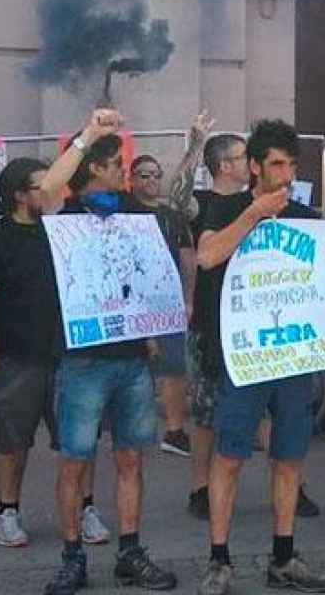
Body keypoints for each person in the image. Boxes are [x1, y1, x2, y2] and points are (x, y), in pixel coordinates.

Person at [191, 119, 325, 595]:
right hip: (243, 358)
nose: (286, 173)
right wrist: (254, 213)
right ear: (254, 166)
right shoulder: (225, 206)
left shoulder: (305, 214)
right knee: (229, 457)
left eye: (292, 164)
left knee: (290, 458)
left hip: (291, 356)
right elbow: (207, 255)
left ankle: (284, 555)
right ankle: (219, 559)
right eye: (277, 164)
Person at [40, 109, 178, 594]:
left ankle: (130, 551)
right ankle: (72, 556)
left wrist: (155, 328)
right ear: (94, 168)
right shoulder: (67, 216)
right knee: (75, 460)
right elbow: (44, 191)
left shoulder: (133, 212)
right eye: (116, 163)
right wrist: (87, 136)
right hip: (83, 359)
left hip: (132, 358)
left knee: (130, 459)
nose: (125, 170)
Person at [0, 157, 111, 549]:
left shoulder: (64, 230)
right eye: (41, 186)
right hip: (17, 361)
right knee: (12, 441)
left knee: (80, 440)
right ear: (18, 195)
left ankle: (85, 509)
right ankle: (7, 512)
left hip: (70, 357)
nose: (52, 191)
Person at [185, 130, 248, 519]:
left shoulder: (254, 202)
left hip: (249, 318)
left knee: (265, 410)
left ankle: (293, 484)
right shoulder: (202, 204)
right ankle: (200, 486)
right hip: (210, 321)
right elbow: (173, 199)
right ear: (224, 165)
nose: (249, 162)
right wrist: (194, 148)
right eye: (242, 157)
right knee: (206, 412)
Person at [130, 152, 196, 458]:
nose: (152, 180)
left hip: (166, 301)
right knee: (133, 368)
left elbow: (187, 258)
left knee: (175, 367)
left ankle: (174, 430)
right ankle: (130, 428)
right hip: (130, 302)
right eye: (144, 175)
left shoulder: (172, 217)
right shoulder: (123, 212)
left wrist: (188, 299)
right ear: (131, 179)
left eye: (156, 174)